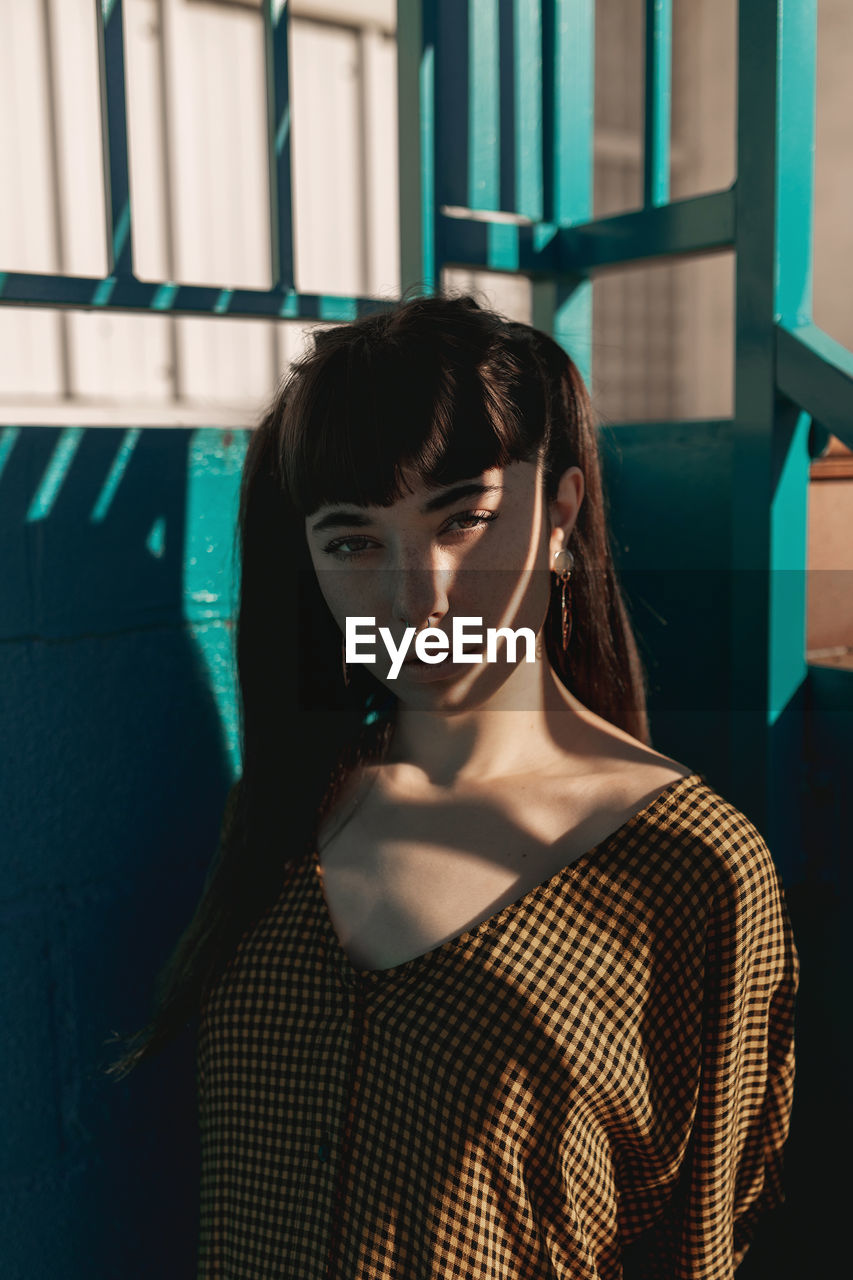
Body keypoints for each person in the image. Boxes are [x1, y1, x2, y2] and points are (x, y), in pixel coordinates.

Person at [107, 294, 799, 1279]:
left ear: (560, 516)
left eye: (464, 519)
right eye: (352, 542)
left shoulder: (690, 868)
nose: (416, 594)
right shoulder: (282, 814)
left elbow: (703, 1247)